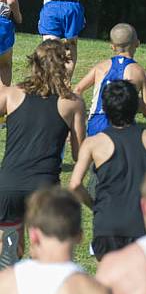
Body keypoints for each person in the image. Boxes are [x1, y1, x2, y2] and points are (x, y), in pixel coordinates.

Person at [0, 41, 86, 266]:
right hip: (44, 186)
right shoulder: (72, 103)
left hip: (9, 184)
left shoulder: (12, 94)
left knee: (7, 253)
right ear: (63, 65)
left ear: (34, 64)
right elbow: (79, 153)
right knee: (44, 254)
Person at [68, 81, 146, 259]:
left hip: (107, 223)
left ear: (105, 109)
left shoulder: (93, 143)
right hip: (142, 222)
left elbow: (75, 184)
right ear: (135, 106)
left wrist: (94, 205)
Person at [76, 24, 146, 137]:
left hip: (97, 123)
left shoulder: (100, 67)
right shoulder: (140, 72)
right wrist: (133, 100)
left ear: (112, 46)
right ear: (137, 43)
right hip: (124, 125)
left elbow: (77, 90)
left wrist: (80, 117)